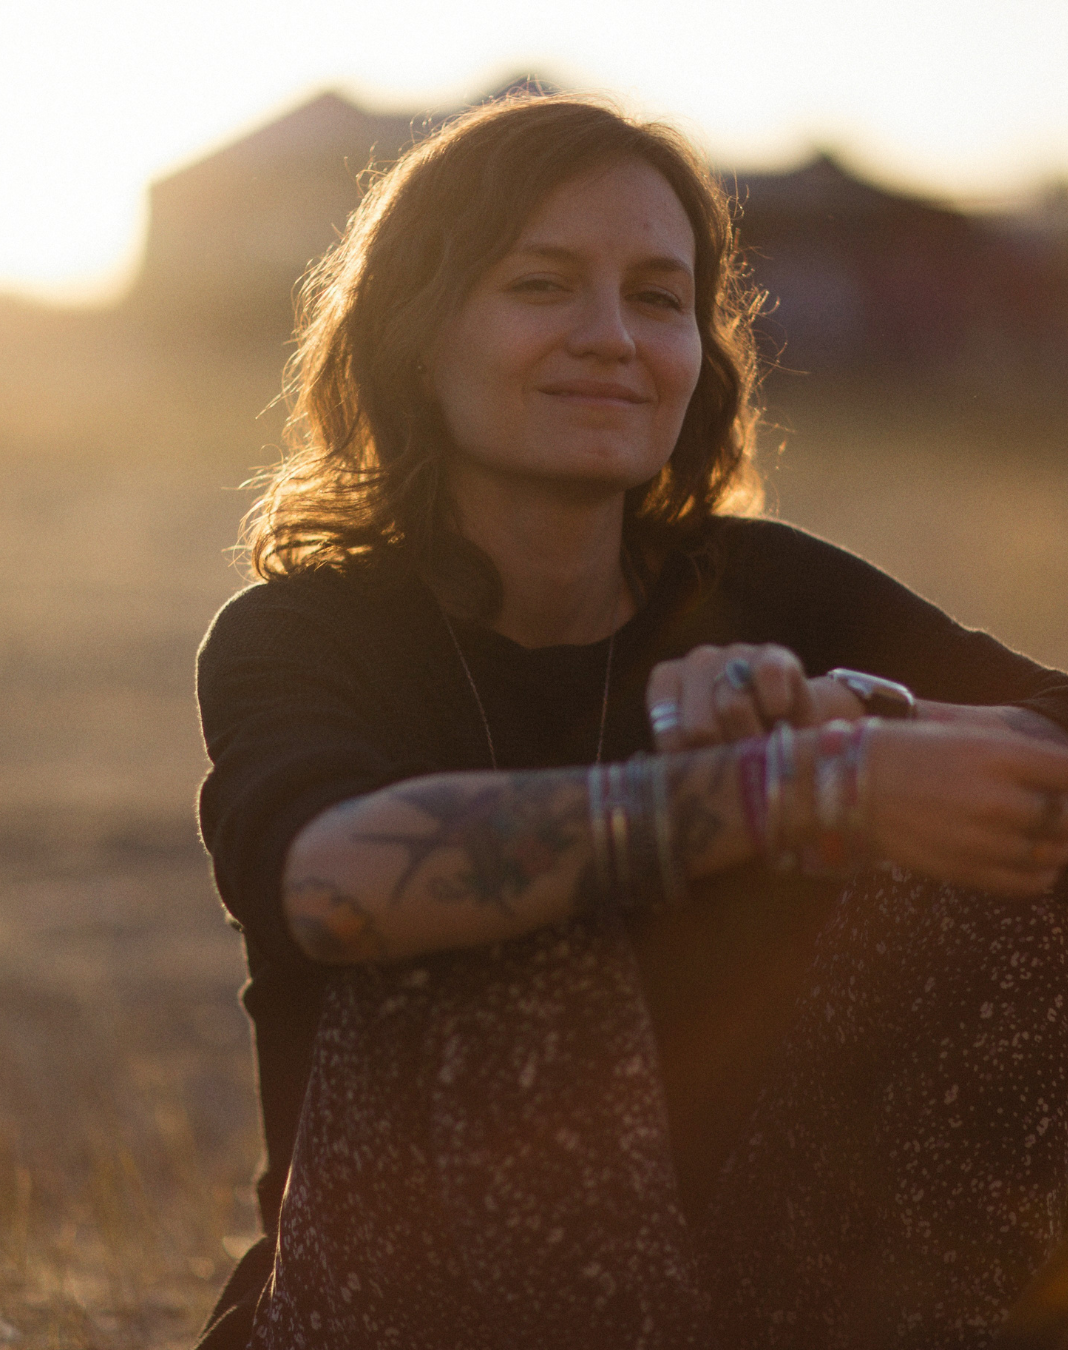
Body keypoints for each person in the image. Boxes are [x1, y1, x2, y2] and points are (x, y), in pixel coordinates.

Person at [195, 94, 1068, 1348]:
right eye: (542, 284)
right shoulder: (306, 635)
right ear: (418, 333)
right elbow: (333, 882)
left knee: (1018, 875)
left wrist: (850, 716)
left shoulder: (763, 588)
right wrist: (795, 796)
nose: (611, 337)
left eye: (659, 298)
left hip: (762, 1284)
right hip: (399, 1297)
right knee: (518, 953)